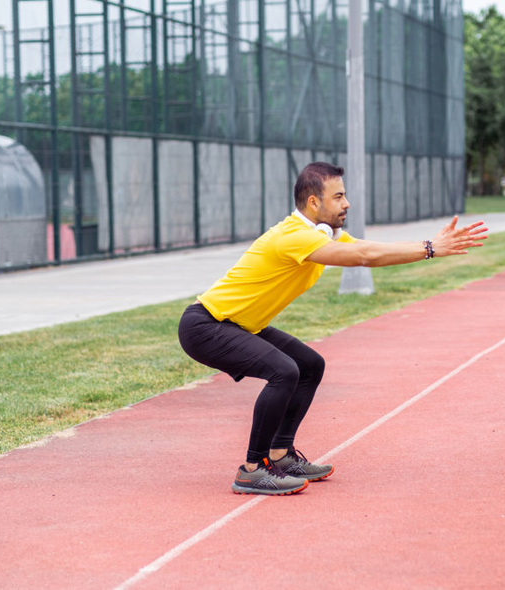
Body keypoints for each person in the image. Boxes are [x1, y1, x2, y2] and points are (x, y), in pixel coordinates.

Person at [178, 162, 488, 496]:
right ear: (314, 202)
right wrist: (429, 248)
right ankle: (253, 469)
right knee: (284, 371)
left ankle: (280, 456)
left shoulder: (321, 235)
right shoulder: (294, 236)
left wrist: (427, 247)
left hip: (239, 324)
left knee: (310, 365)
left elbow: (370, 250)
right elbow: (364, 256)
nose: (347, 203)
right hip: (206, 325)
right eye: (338, 196)